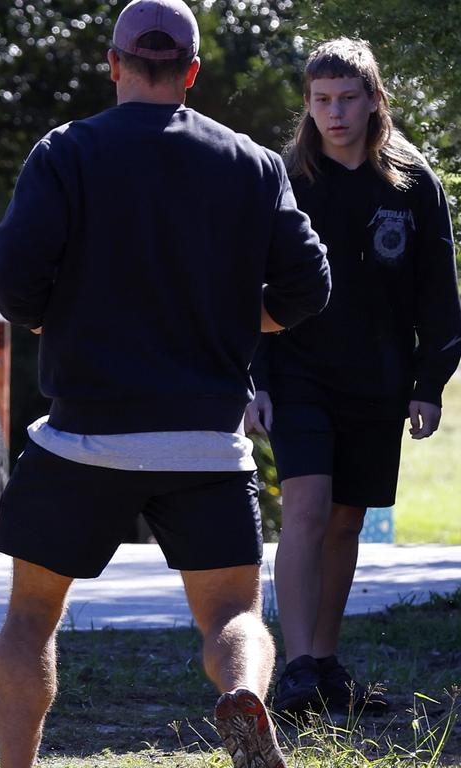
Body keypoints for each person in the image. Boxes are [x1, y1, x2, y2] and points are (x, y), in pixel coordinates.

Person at [0, 0, 332, 765]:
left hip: (80, 437)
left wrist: (48, 318)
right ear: (192, 73)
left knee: (31, 618)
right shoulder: (252, 163)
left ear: (113, 65)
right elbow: (309, 285)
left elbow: (10, 276)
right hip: (205, 439)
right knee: (234, 613)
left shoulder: (65, 152)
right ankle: (242, 695)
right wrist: (251, 322)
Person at [245, 39, 461, 718]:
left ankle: (326, 665)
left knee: (346, 521)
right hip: (297, 371)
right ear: (308, 105)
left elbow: (440, 295)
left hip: (380, 377)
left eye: (346, 98)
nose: (333, 113)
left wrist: (430, 381)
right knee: (307, 509)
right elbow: (245, 286)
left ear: (374, 101)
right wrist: (254, 380)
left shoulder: (412, 182)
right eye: (320, 100)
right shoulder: (285, 180)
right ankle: (296, 668)